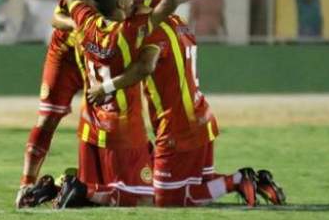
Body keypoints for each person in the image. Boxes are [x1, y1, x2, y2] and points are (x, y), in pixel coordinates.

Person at [52, 0, 197, 208]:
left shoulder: (86, 21)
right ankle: (78, 190)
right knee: (140, 199)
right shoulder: (127, 34)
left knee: (102, 185)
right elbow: (165, 8)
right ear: (120, 4)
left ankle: (75, 188)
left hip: (90, 121)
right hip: (122, 125)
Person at [15, 0, 163, 208]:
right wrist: (83, 29)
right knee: (48, 119)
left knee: (117, 120)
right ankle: (27, 186)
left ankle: (75, 185)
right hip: (68, 55)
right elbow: (56, 17)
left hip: (105, 58)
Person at [87, 13, 285, 207]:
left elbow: (144, 67)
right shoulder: (179, 21)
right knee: (200, 183)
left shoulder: (152, 30)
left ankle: (236, 180)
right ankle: (255, 182)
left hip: (177, 125)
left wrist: (106, 87)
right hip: (201, 117)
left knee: (167, 199)